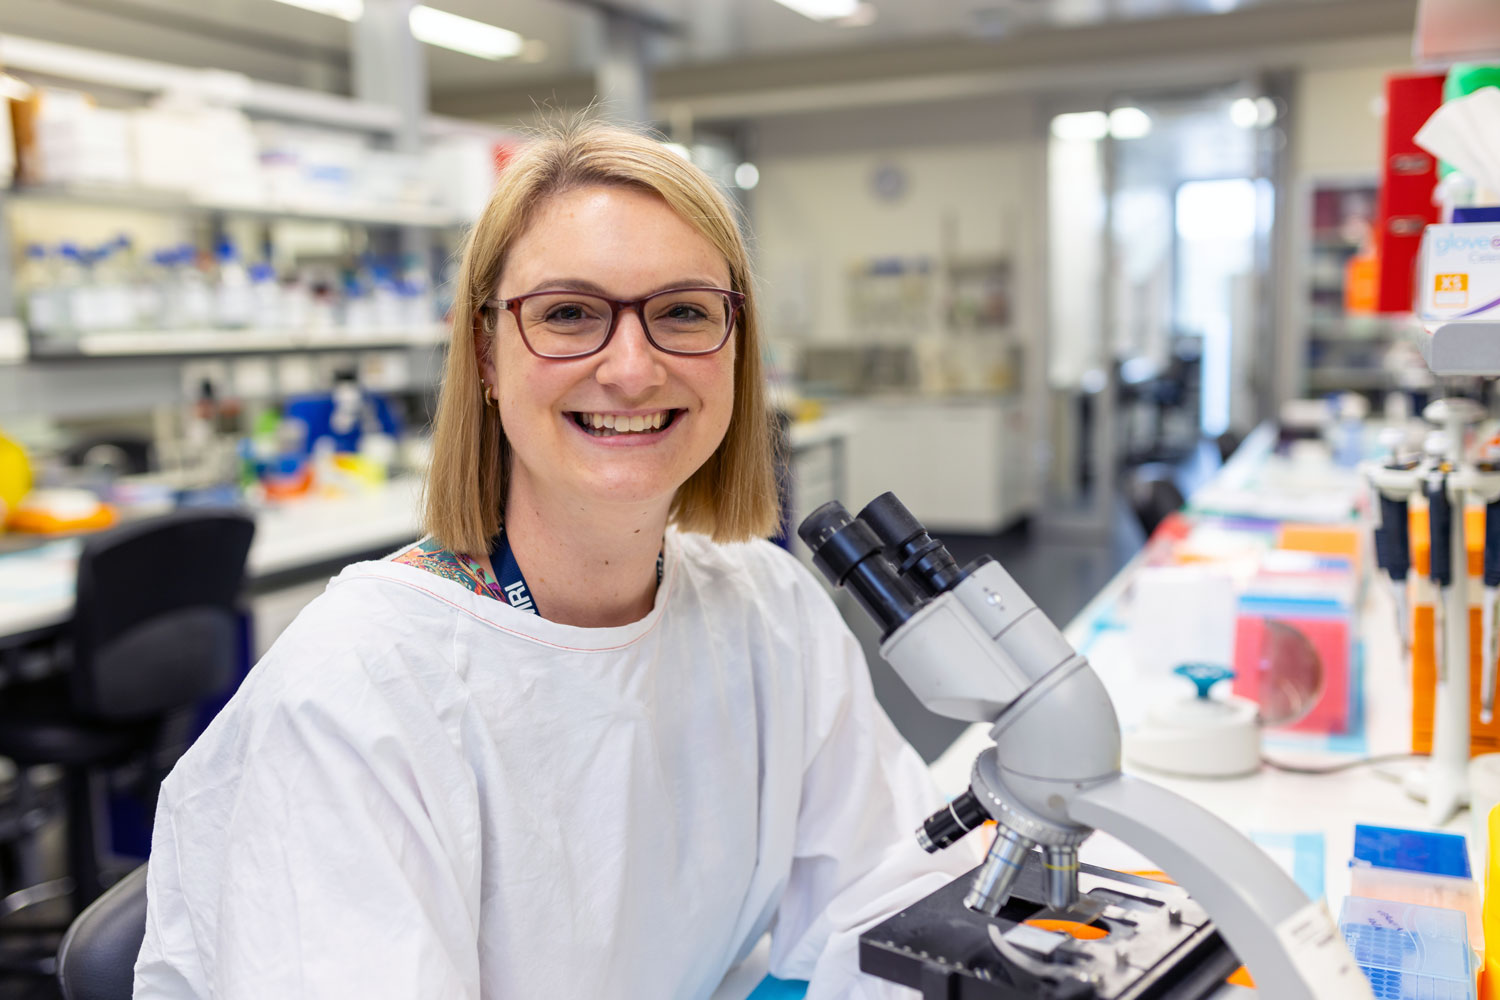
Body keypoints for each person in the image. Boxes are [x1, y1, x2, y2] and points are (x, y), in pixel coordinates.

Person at [133, 118, 977, 1000]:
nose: (632, 368)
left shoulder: (769, 610)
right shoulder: (360, 688)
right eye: (569, 314)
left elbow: (883, 896)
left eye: (683, 312)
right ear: (486, 353)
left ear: (737, 348)